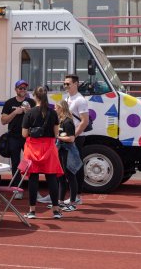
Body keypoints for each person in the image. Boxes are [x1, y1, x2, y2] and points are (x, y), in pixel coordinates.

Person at [22, 86, 64, 219]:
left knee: (33, 179)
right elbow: (56, 133)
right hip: (49, 148)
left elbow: (24, 134)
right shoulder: (53, 113)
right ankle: (56, 210)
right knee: (51, 178)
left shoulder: (29, 113)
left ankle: (32, 211)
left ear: (35, 97)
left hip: (32, 148)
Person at [0, 79, 35, 198]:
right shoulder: (9, 103)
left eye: (25, 88)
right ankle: (17, 189)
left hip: (28, 137)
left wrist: (30, 112)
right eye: (20, 88)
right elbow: (3, 121)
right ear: (16, 90)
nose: (23, 90)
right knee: (15, 164)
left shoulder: (31, 102)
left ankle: (34, 190)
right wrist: (15, 112)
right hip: (14, 137)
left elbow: (37, 120)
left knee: (31, 163)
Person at [64, 74, 89, 205]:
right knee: (67, 166)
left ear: (76, 84)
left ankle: (78, 195)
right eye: (65, 83)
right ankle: (68, 194)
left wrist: (74, 136)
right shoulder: (68, 98)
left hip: (76, 138)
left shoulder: (80, 100)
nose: (65, 86)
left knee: (77, 166)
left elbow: (84, 121)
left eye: (68, 84)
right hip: (68, 137)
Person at [55, 100, 81, 212]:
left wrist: (57, 137)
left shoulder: (68, 122)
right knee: (61, 176)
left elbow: (71, 138)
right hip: (61, 151)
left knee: (70, 176)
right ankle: (60, 201)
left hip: (68, 151)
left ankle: (73, 202)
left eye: (56, 107)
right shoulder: (61, 121)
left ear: (61, 108)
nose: (55, 109)